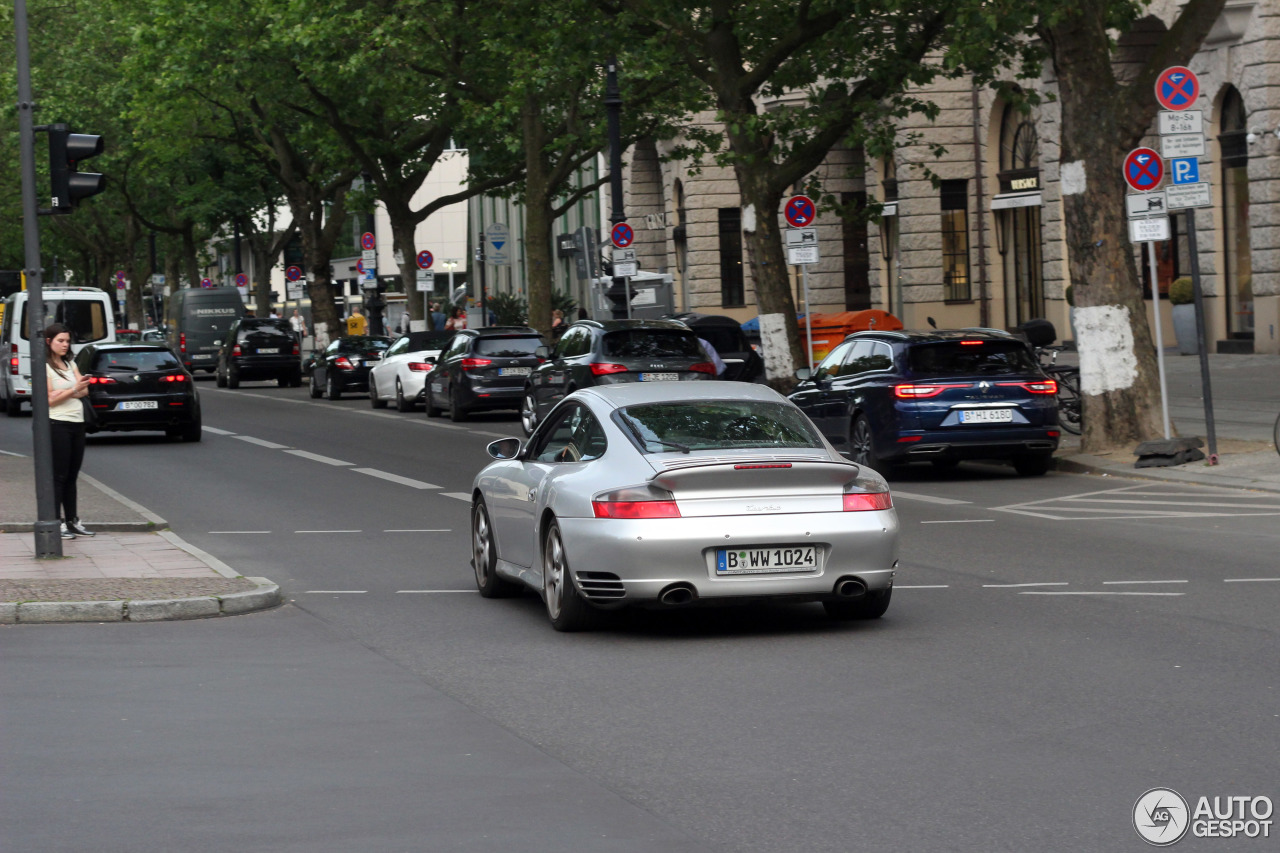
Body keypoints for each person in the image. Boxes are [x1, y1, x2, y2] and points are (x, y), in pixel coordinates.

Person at [44, 324, 94, 539]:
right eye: (60, 341)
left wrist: (65, 392)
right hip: (58, 424)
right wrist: (73, 390)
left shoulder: (69, 363)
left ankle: (73, 520)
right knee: (59, 476)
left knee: (73, 475)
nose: (65, 345)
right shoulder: (44, 367)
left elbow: (86, 389)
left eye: (67, 341)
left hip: (77, 422)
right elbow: (49, 400)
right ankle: (57, 522)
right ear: (49, 342)